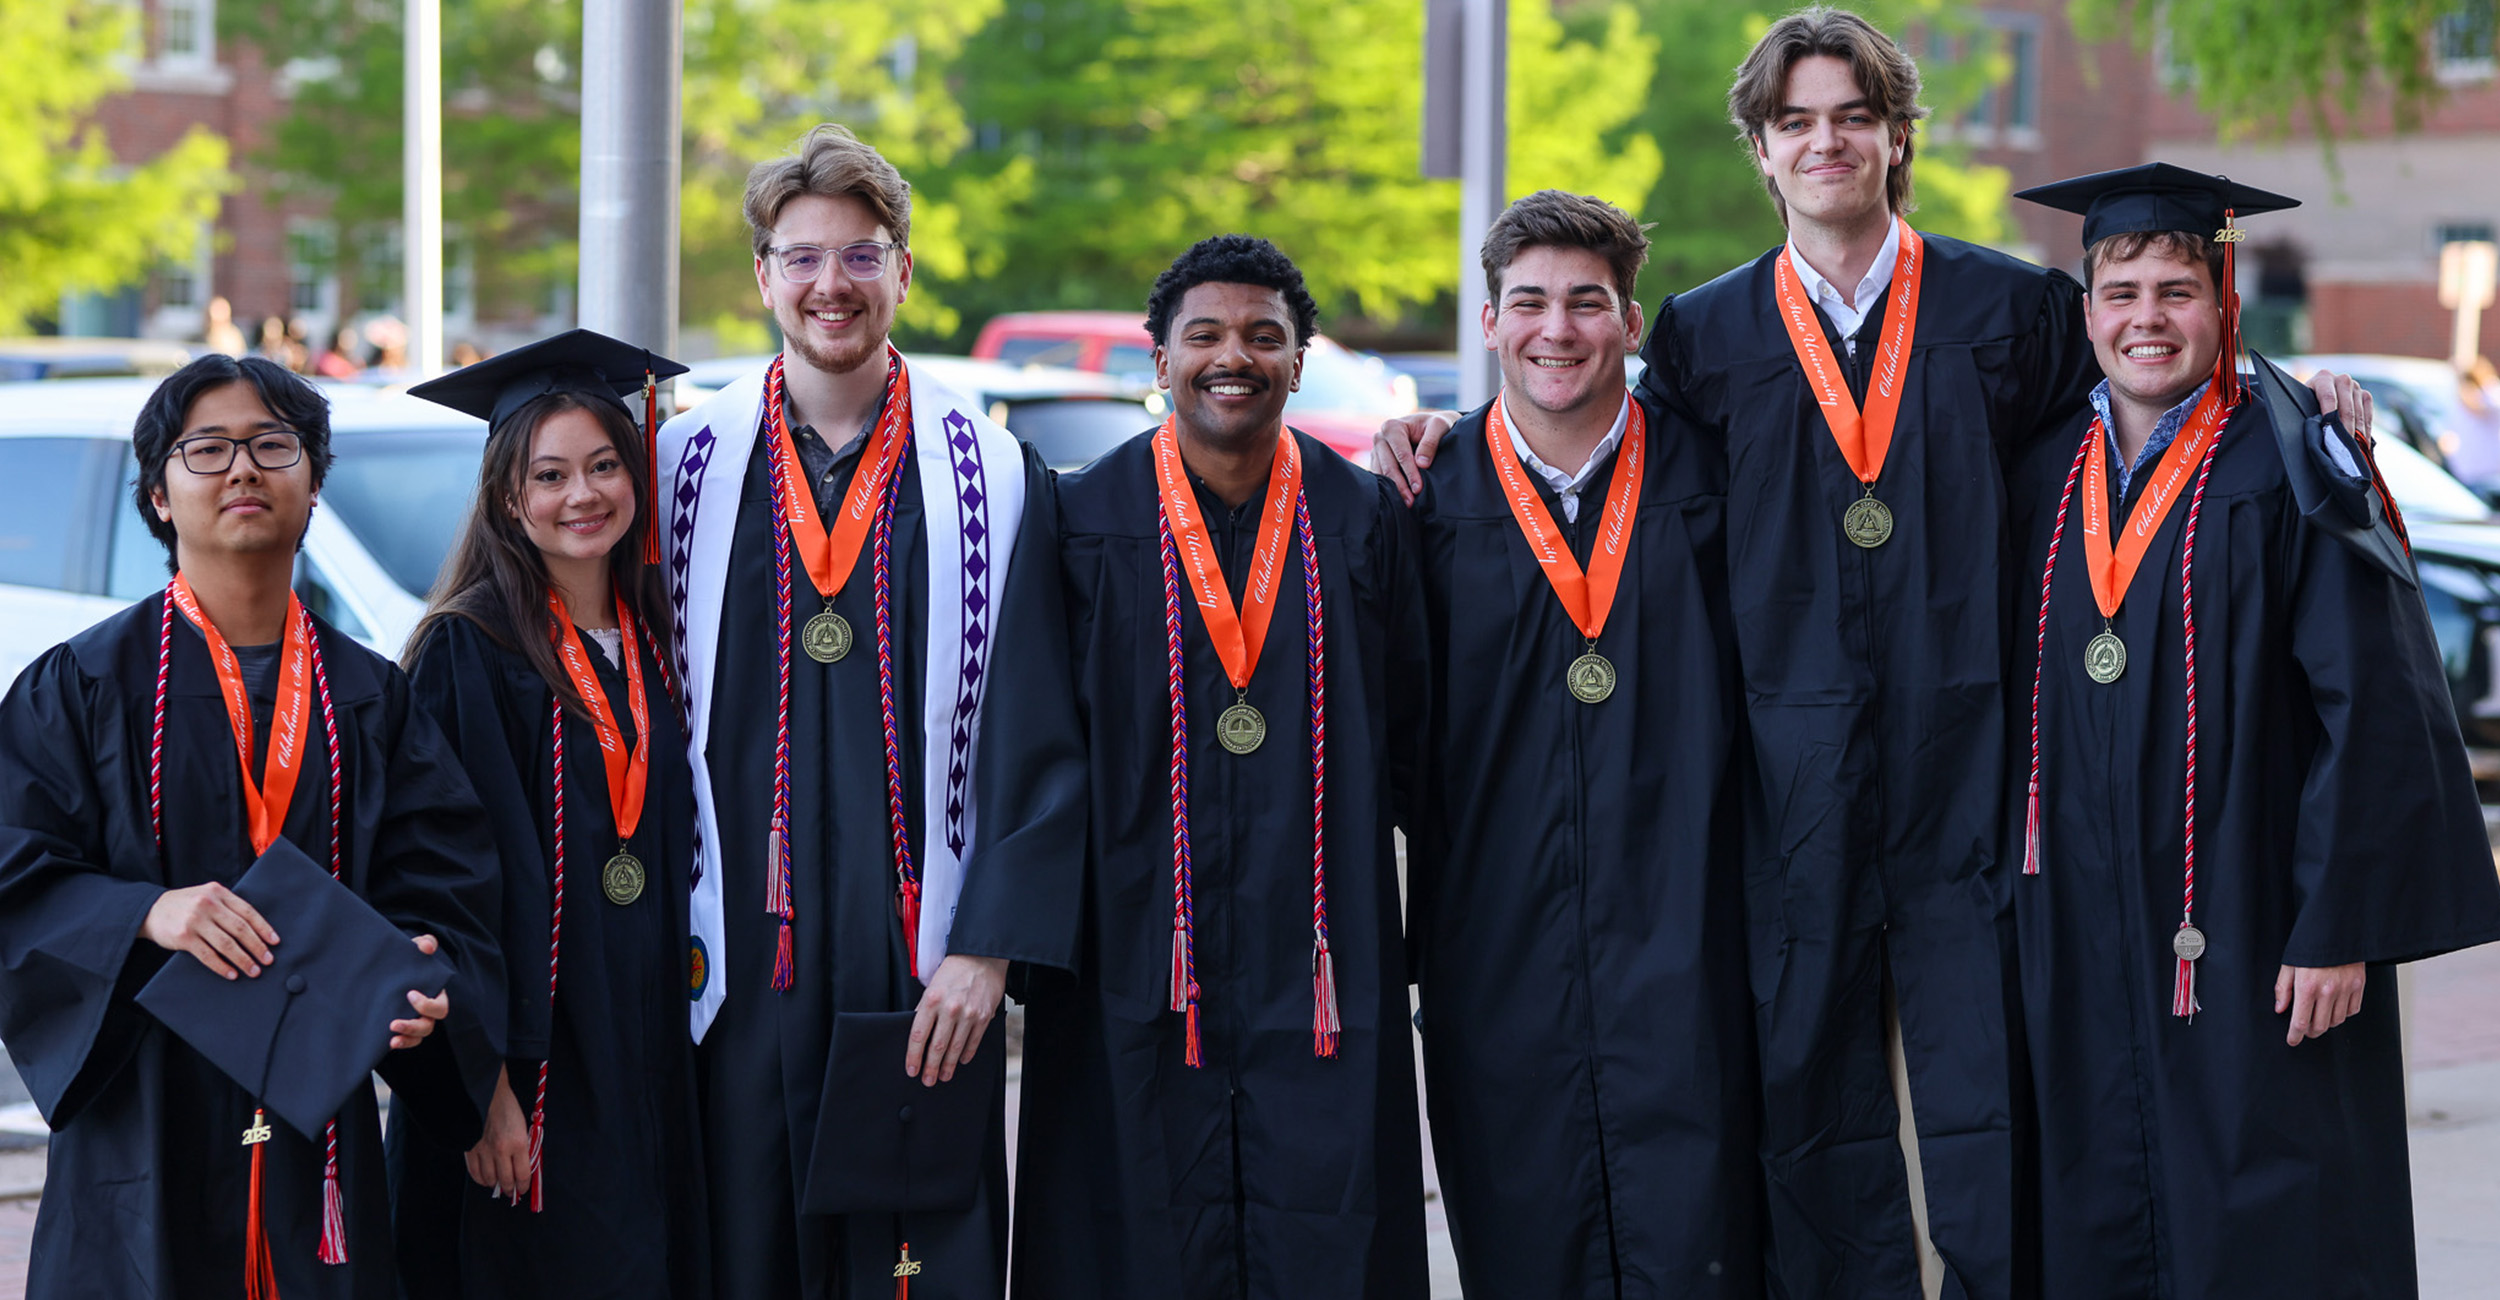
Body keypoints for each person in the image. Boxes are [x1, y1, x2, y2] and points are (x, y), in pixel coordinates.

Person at [1371, 12, 2376, 1296]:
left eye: (1852, 114)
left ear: (1899, 136)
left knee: (1993, 1100)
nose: (1825, 140)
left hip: (1980, 781)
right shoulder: (1703, 334)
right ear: (1760, 149)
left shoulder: (2007, 309)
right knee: (1806, 1109)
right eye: (1795, 120)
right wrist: (1451, 426)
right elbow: (1596, 444)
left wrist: (2298, 389)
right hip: (1789, 796)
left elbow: (2150, 396)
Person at [2003, 162, 2500, 1300]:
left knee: (2272, 1204)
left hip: (2249, 917)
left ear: (2222, 302)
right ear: (2084, 311)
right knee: (2099, 1196)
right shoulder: (2038, 470)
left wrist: (2336, 924)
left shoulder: (2293, 455)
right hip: (2078, 923)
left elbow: (2371, 698)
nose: (2146, 319)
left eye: (2174, 289)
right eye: (2121, 291)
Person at [657, 123, 1086, 1298]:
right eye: (800, 258)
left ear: (902, 267)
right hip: (735, 957)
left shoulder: (993, 475)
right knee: (743, 1256)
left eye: (858, 256)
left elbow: (1045, 735)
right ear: (762, 278)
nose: (829, 285)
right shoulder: (682, 472)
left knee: (912, 1266)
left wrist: (988, 942)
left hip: (919, 961)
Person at [0, 354, 504, 1298]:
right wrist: (145, 915)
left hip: (321, 1124)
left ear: (313, 486)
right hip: (142, 1114)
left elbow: (448, 892)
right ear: (157, 495)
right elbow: (12, 874)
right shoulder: (84, 688)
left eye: (274, 445)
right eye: (208, 449)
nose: (243, 469)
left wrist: (428, 986)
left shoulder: (372, 698)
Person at [1013, 234, 1432, 1299]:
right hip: (1134, 954)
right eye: (1202, 335)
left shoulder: (1362, 519)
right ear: (1158, 359)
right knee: (1137, 1230)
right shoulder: (1080, 520)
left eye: (1262, 335)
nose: (1230, 355)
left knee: (1325, 1230)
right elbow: (1030, 746)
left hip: (1319, 956)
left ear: (1300, 360)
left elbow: (1421, 743)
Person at [1398, 191, 1762, 1296]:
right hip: (1494, 939)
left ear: (1632, 323)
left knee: (1699, 1229)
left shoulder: (1717, 476)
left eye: (1586, 303)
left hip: (1690, 932)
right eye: (1530, 302)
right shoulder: (1423, 497)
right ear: (1489, 321)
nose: (1557, 329)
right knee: (1519, 1226)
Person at [387, 330, 707, 1298]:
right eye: (552, 474)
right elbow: (435, 891)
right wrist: (479, 1091)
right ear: (507, 499)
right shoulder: (468, 653)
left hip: (650, 1046)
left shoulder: (662, 635)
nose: (584, 496)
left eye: (606, 465)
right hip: (530, 1065)